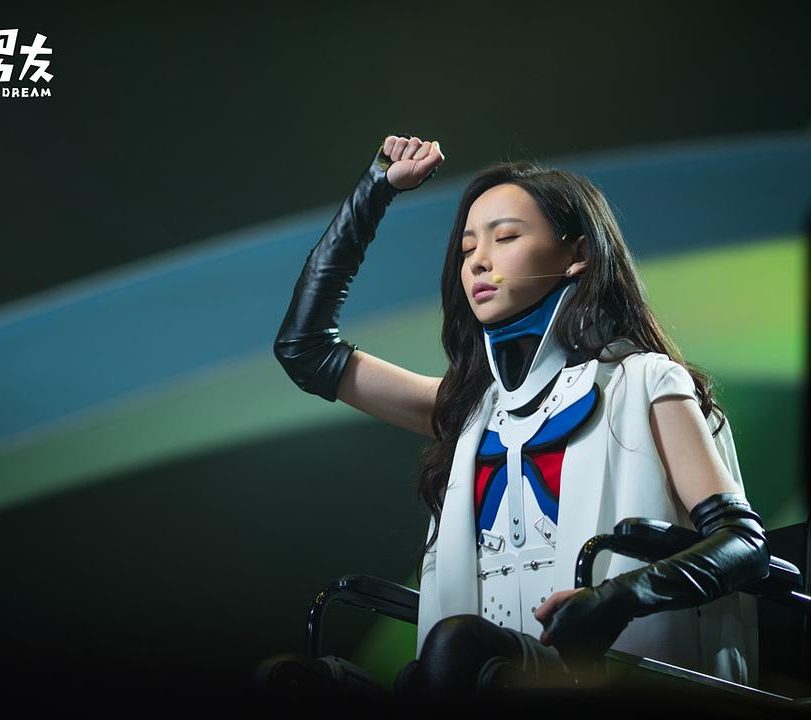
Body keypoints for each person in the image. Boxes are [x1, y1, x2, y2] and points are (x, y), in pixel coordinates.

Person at [266, 134, 771, 707]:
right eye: (467, 249)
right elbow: (305, 350)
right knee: (290, 680)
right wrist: (375, 190)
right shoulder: (467, 409)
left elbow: (742, 543)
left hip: (606, 670)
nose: (478, 261)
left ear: (577, 254)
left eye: (505, 238)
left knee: (456, 648)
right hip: (482, 673)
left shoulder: (645, 382)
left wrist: (616, 600)